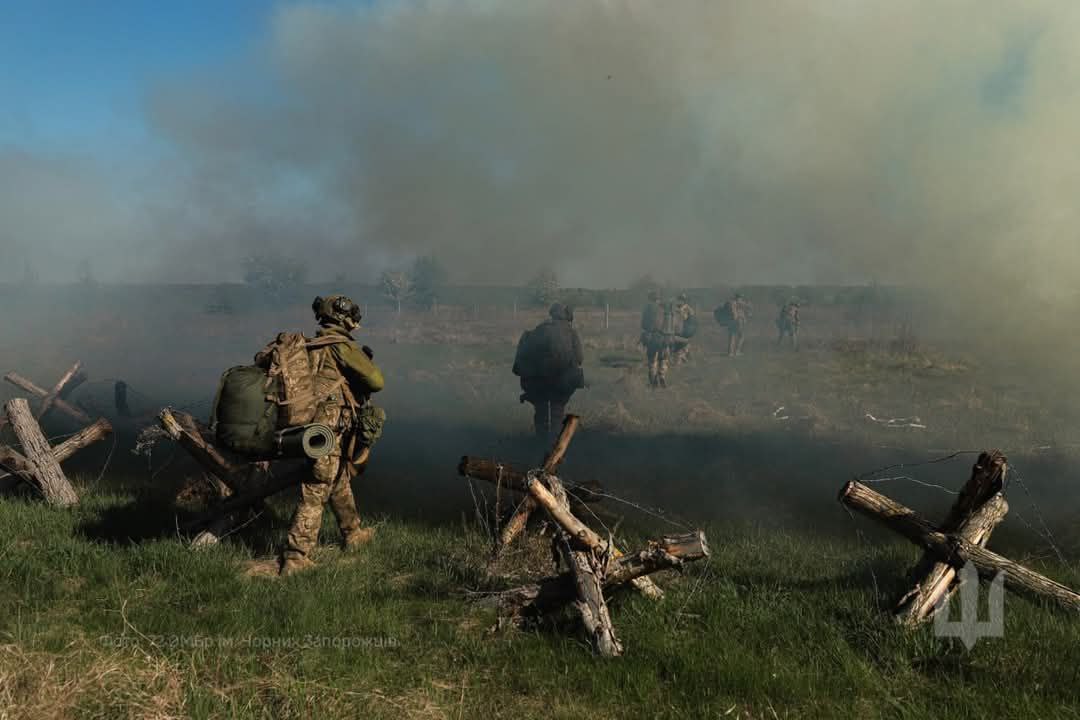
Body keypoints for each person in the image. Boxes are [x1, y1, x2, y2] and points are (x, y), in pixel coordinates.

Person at [279, 294, 386, 576]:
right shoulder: (340, 346)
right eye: (352, 314)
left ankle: (353, 533)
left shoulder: (313, 345)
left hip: (315, 426)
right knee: (316, 488)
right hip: (329, 428)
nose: (355, 319)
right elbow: (376, 381)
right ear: (342, 317)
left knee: (338, 479)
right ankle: (296, 556)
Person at [513, 303, 585, 438]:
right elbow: (580, 358)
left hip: (539, 382)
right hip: (562, 383)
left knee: (542, 412)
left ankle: (541, 441)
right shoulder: (571, 332)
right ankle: (554, 441)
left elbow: (524, 360)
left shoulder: (539, 330)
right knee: (557, 410)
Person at [640, 290, 669, 388]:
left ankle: (653, 380)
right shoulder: (663, 309)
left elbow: (643, 324)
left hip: (651, 337)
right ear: (658, 299)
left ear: (650, 298)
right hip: (662, 337)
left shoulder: (647, 309)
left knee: (652, 360)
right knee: (663, 358)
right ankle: (662, 375)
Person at [715, 292, 753, 357]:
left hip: (731, 322)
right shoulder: (738, 303)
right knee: (741, 336)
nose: (741, 299)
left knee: (732, 336)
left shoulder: (731, 303)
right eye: (741, 297)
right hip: (737, 321)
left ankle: (730, 352)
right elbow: (746, 309)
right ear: (739, 298)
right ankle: (737, 351)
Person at [671, 293, 697, 365]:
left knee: (681, 342)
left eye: (681, 300)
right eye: (679, 300)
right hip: (677, 328)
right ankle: (683, 356)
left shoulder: (687, 308)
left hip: (685, 329)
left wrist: (681, 312)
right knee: (677, 343)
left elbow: (688, 318)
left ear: (684, 301)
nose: (680, 301)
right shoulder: (676, 308)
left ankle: (683, 355)